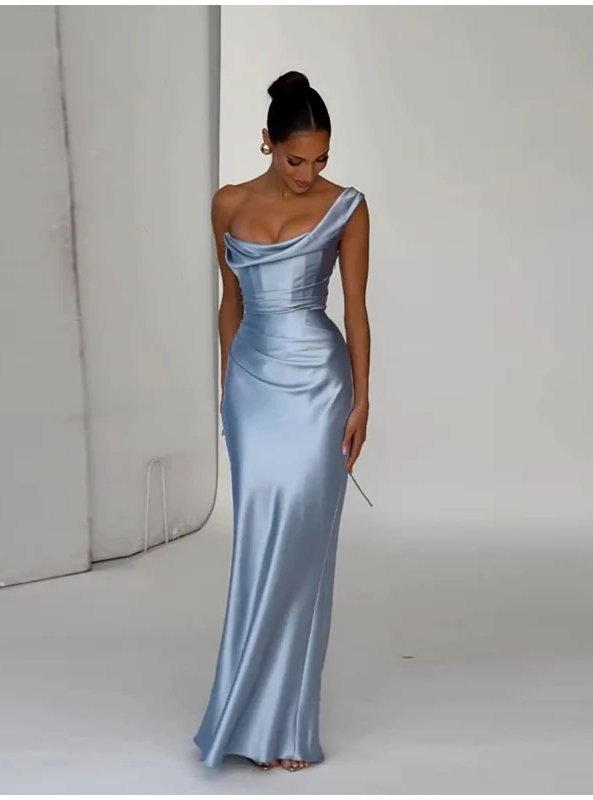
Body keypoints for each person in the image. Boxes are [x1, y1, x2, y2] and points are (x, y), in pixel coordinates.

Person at [193, 70, 371, 773]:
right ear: (267, 141)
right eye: (297, 159)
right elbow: (229, 300)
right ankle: (241, 711)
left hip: (320, 386)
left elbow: (355, 310)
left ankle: (286, 722)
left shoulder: (346, 207)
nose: (309, 174)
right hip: (251, 388)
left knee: (300, 546)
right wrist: (227, 385)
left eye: (321, 159)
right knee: (256, 541)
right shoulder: (227, 203)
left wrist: (362, 400)